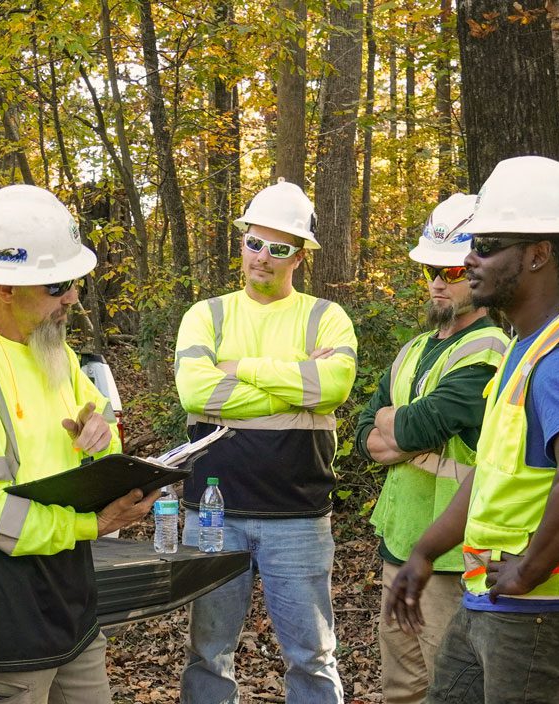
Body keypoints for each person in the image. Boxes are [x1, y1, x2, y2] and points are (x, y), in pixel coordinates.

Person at [386, 156, 559, 703]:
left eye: (487, 244)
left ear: (537, 255)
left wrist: (528, 570)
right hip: (494, 595)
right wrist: (426, 552)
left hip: (539, 603)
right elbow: (491, 474)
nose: (470, 258)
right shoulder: (525, 346)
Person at [0, 184, 156, 703]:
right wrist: (91, 525)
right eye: (57, 285)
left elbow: (100, 434)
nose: (73, 296)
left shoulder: (56, 353)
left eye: (73, 281)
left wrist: (103, 436)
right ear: (4, 286)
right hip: (4, 624)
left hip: (72, 610)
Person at [174, 178, 358, 704]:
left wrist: (239, 370)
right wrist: (295, 387)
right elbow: (194, 388)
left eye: (279, 248)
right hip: (214, 514)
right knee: (208, 653)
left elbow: (333, 388)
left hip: (298, 517)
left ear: (299, 256)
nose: (263, 256)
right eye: (255, 242)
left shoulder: (326, 316)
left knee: (312, 656)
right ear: (242, 242)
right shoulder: (205, 314)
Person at [355, 193, 509, 703]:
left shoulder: (489, 350)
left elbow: (419, 426)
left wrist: (394, 428)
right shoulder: (414, 348)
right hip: (399, 541)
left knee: (450, 687)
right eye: (430, 271)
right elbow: (363, 431)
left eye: (451, 269)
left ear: (478, 272)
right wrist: (389, 429)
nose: (438, 281)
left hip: (450, 555)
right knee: (400, 685)